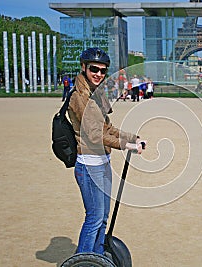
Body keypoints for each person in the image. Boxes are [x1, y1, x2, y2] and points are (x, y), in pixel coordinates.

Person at [67, 47, 145, 255]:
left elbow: (106, 128)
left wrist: (131, 137)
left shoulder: (96, 95)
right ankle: (83, 260)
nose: (99, 74)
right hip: (89, 165)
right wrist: (126, 146)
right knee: (94, 218)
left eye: (103, 71)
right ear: (83, 68)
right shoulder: (78, 98)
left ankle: (98, 257)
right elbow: (93, 135)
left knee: (103, 218)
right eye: (94, 69)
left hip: (103, 163)